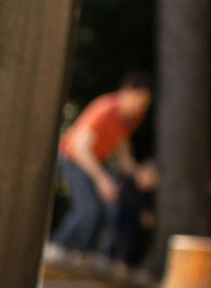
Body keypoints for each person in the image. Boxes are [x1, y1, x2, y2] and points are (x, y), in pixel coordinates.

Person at [55, 77, 155, 262]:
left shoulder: (132, 116)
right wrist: (102, 180)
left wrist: (132, 170)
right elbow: (80, 148)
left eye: (146, 103)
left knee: (108, 208)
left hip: (96, 161)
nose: (142, 107)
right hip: (74, 157)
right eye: (140, 101)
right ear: (127, 92)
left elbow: (121, 140)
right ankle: (57, 246)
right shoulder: (105, 109)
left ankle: (82, 253)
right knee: (87, 208)